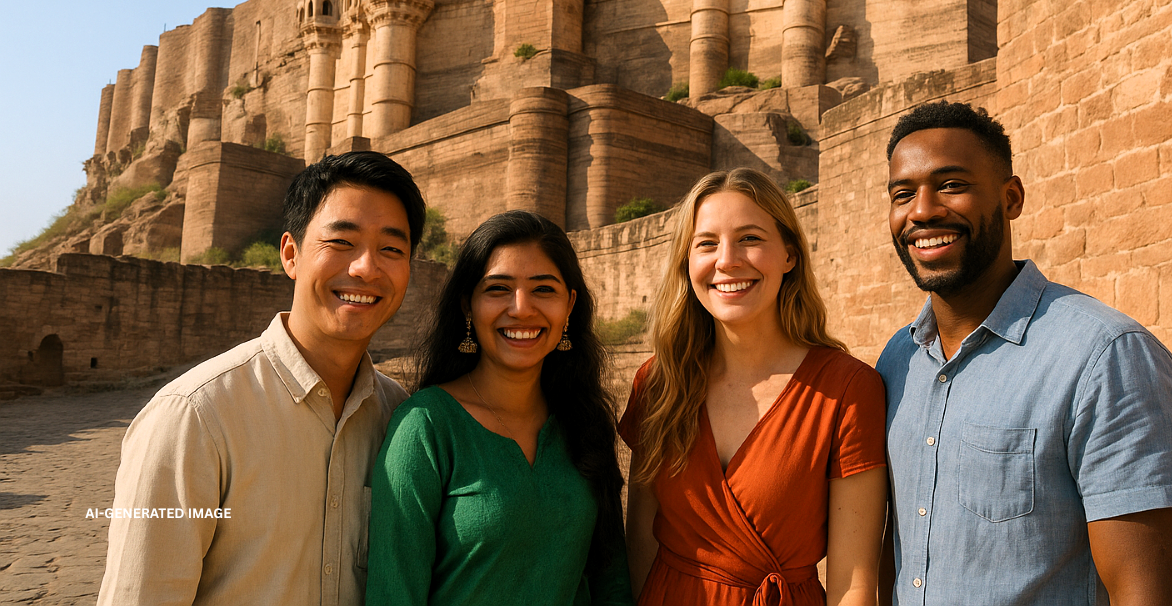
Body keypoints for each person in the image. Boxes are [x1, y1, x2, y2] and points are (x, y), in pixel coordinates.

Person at [877, 100, 1172, 606]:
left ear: (1012, 198)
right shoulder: (898, 360)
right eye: (903, 194)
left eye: (951, 185)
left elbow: (1151, 594)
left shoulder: (1107, 359)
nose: (922, 211)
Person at [98, 151, 427, 606]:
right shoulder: (194, 416)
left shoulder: (400, 419)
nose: (366, 268)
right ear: (291, 254)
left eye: (392, 249)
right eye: (341, 242)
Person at [622, 168, 887, 606]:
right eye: (707, 243)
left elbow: (853, 585)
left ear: (790, 255)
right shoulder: (658, 382)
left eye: (750, 238)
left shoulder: (847, 390)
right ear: (687, 263)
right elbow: (640, 547)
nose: (727, 260)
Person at [367, 210, 632, 605]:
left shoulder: (584, 423)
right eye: (497, 289)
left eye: (544, 289)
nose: (521, 308)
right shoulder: (426, 427)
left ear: (570, 304)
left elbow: (610, 581)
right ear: (467, 306)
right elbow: (394, 594)